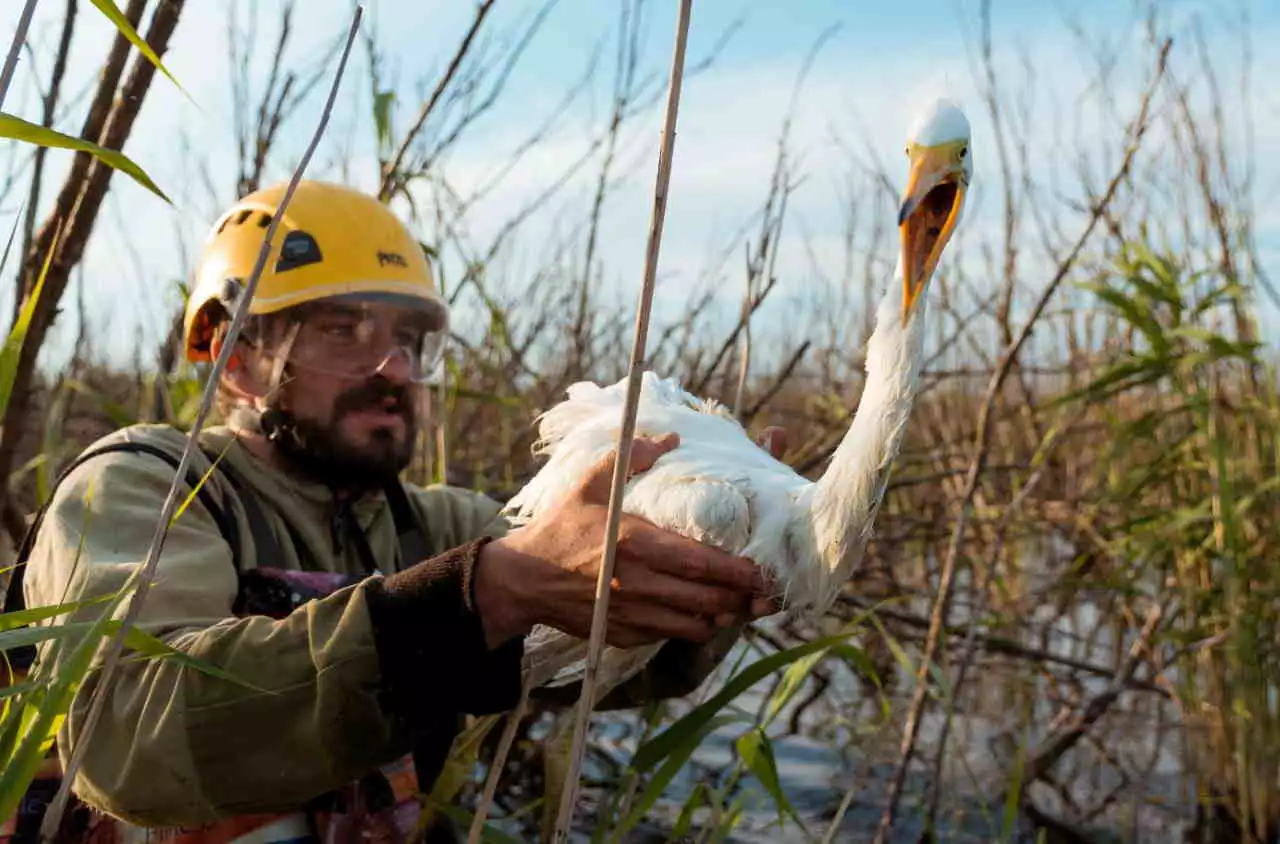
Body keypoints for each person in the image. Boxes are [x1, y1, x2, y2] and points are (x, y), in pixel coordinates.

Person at [6, 180, 784, 843]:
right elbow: (122, 744)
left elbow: (589, 674)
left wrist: (701, 579)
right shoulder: (144, 485)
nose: (393, 370)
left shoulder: (439, 526)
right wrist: (475, 599)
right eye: (342, 330)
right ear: (239, 356)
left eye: (411, 341)